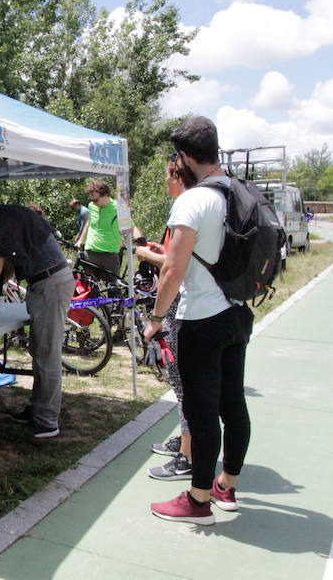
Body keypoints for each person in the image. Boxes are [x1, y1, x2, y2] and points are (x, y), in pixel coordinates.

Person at [145, 116, 253, 525]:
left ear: (186, 158)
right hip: (239, 312)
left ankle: (198, 500)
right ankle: (227, 486)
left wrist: (156, 318)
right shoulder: (236, 191)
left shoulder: (193, 200)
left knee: (202, 410)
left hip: (202, 318)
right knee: (234, 405)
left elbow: (173, 271)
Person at [0, 193, 74, 438]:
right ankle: (38, 409)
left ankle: (46, 421)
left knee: (47, 355)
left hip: (49, 283)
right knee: (40, 351)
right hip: (47, 282)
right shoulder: (6, 214)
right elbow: (6, 270)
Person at [135, 153, 198, 481]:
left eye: (167, 176)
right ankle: (186, 444)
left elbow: (175, 268)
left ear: (178, 175)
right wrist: (162, 250)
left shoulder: (187, 208)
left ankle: (188, 456)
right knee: (183, 383)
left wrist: (146, 254)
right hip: (201, 309)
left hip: (180, 308)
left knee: (182, 382)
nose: (165, 182)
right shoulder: (202, 206)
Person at [76, 179, 122, 281]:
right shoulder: (91, 206)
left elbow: (129, 226)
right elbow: (89, 222)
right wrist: (81, 240)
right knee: (88, 288)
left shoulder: (118, 208)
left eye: (96, 200)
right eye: (91, 200)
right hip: (90, 253)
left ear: (105, 195)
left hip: (109, 255)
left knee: (113, 291)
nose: (93, 203)